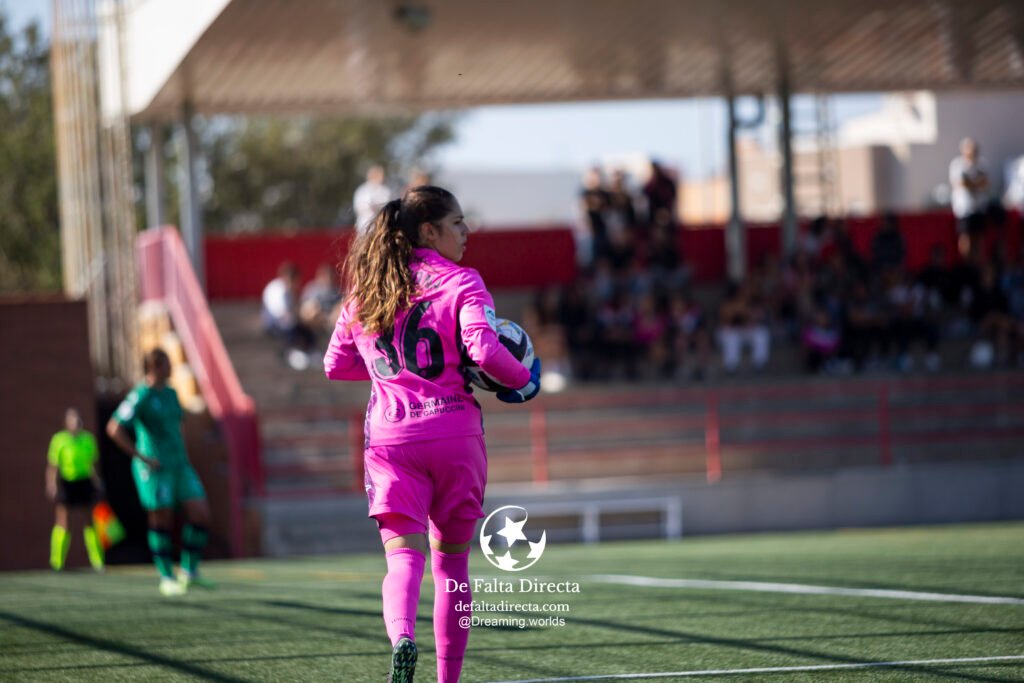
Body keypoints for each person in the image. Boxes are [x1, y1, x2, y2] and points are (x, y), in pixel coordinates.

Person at [324, 185, 541, 683]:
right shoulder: (463, 281)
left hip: (391, 443)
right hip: (454, 437)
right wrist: (524, 381)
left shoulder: (367, 291)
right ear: (429, 230)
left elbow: (335, 365)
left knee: (402, 559)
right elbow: (483, 352)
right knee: (452, 568)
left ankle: (402, 637)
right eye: (457, 223)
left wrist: (389, 374)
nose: (466, 232)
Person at [106, 349, 213, 596]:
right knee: (160, 519)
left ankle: (189, 571)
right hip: (156, 468)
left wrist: (184, 454)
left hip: (180, 465)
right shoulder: (140, 395)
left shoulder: (171, 393)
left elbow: (178, 426)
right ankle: (166, 576)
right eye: (166, 364)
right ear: (154, 366)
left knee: (201, 514)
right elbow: (114, 428)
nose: (171, 368)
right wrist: (141, 457)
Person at [47, 408, 105, 572]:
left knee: (90, 521)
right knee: (63, 522)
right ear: (66, 423)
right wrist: (52, 484)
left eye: (79, 420)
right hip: (67, 483)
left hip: (84, 482)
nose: (77, 423)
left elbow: (93, 465)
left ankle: (98, 561)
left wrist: (97, 482)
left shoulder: (88, 440)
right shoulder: (59, 440)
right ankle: (57, 562)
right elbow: (53, 466)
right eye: (73, 420)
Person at [262, 262, 317, 369]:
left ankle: (311, 352)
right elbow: (281, 314)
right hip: (275, 324)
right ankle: (292, 354)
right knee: (294, 329)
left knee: (307, 330)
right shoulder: (277, 289)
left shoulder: (288, 290)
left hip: (286, 321)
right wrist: (301, 317)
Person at [949, 137, 991, 259]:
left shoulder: (982, 164)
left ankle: (977, 262)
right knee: (965, 237)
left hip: (979, 208)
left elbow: (985, 182)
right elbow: (961, 183)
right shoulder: (958, 164)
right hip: (965, 209)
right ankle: (966, 263)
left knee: (979, 238)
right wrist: (975, 183)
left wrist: (972, 183)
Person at [354, 164, 394, 235]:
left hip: (382, 224)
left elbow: (388, 204)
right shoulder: (363, 190)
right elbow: (359, 206)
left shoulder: (385, 190)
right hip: (366, 224)